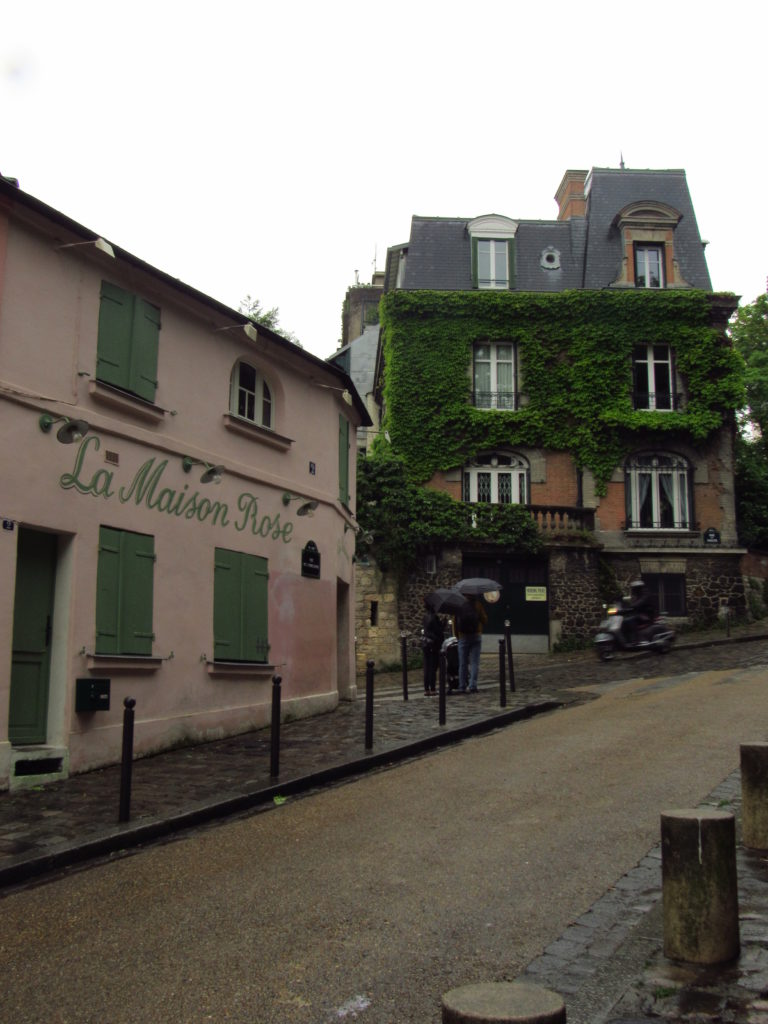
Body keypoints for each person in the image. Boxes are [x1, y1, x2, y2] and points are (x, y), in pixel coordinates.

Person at [454, 597, 488, 693]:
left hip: (463, 636)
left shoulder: (458, 604)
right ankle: (473, 685)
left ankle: (462, 686)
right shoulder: (478, 604)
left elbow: (455, 622)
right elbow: (485, 620)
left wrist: (457, 636)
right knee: (474, 663)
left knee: (462, 663)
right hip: (476, 635)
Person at [421, 598, 443, 696]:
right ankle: (433, 688)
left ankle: (426, 689)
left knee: (427, 666)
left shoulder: (425, 617)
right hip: (433, 644)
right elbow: (438, 632)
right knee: (433, 667)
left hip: (426, 643)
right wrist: (443, 624)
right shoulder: (434, 617)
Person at [623, 579, 656, 644]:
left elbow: (640, 602)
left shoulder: (646, 595)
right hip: (639, 614)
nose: (633, 590)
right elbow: (630, 601)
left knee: (630, 620)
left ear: (638, 588)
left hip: (646, 615)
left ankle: (635, 640)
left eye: (634, 588)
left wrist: (632, 606)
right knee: (624, 620)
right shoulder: (637, 595)